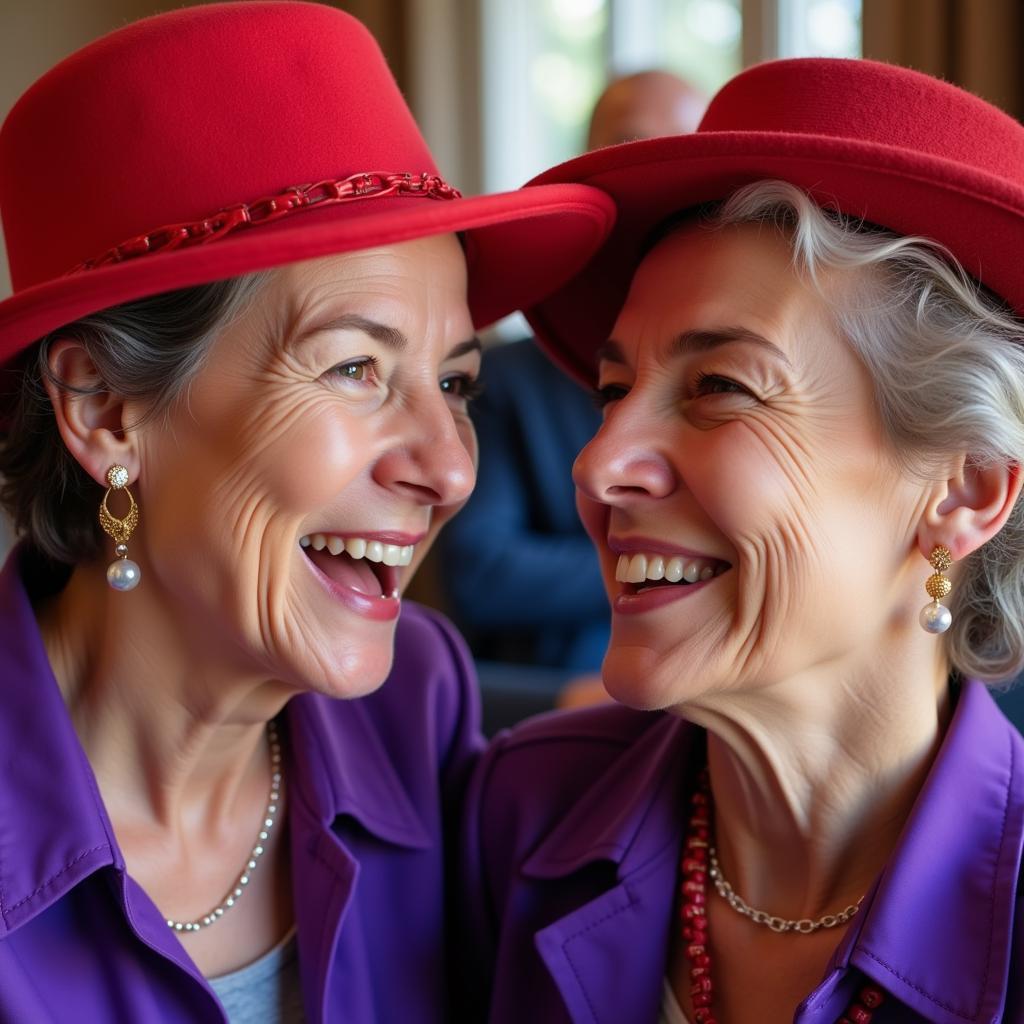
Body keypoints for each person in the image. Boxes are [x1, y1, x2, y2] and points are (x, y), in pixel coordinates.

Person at [0, 4, 613, 1021]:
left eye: (455, 384)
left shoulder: (415, 701)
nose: (448, 470)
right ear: (105, 409)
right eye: (355, 367)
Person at [458, 58, 1024, 1023]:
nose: (598, 466)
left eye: (722, 387)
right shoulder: (515, 816)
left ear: (962, 490)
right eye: (611, 392)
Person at [439, 71, 705, 676]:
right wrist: (675, 559)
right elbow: (483, 571)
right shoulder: (505, 378)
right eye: (634, 148)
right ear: (588, 164)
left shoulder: (737, 378)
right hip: (546, 689)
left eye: (684, 148)